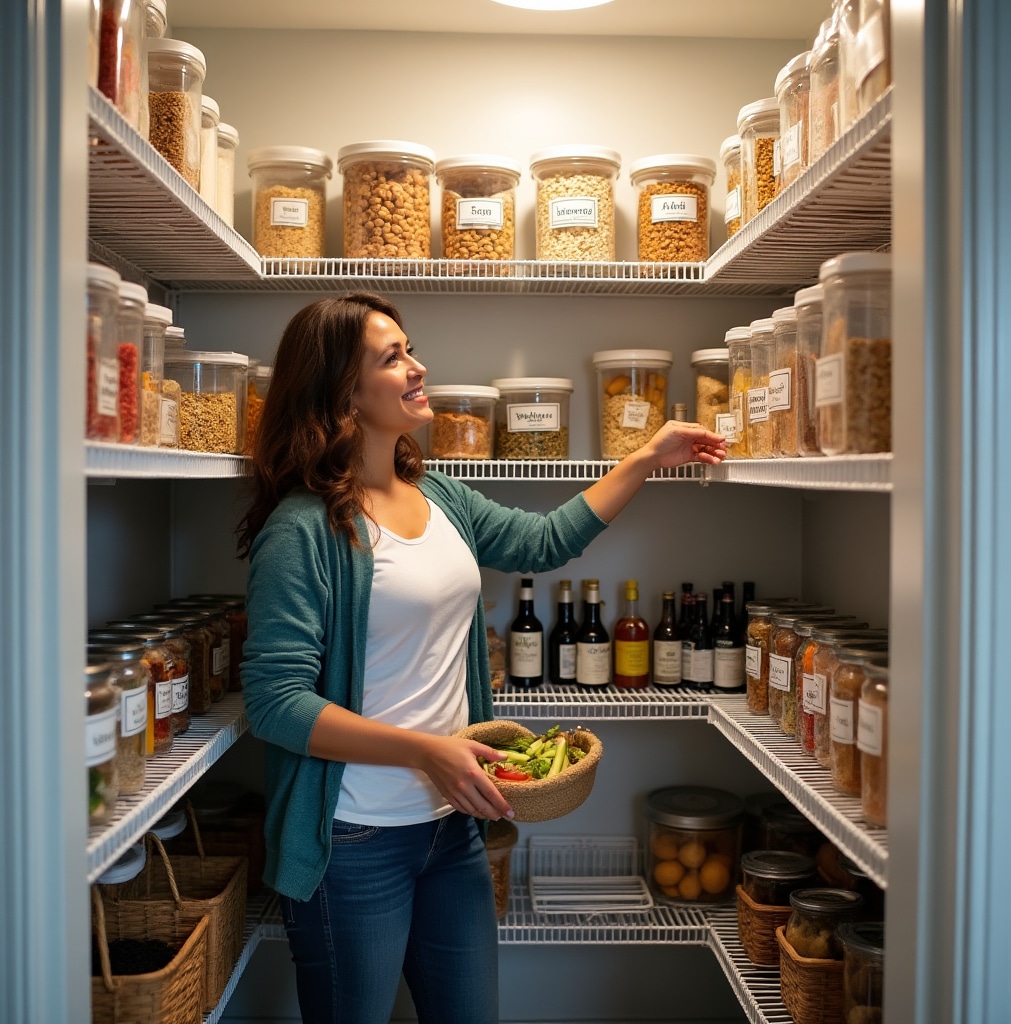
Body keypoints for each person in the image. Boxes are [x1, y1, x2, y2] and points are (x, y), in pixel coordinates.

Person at [237, 292, 725, 1024]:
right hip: (354, 837)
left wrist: (648, 457)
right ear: (343, 391)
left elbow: (542, 541)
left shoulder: (438, 495)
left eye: (410, 348)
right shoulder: (301, 530)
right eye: (392, 356)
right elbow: (276, 703)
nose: (417, 366)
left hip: (451, 827)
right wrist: (428, 753)